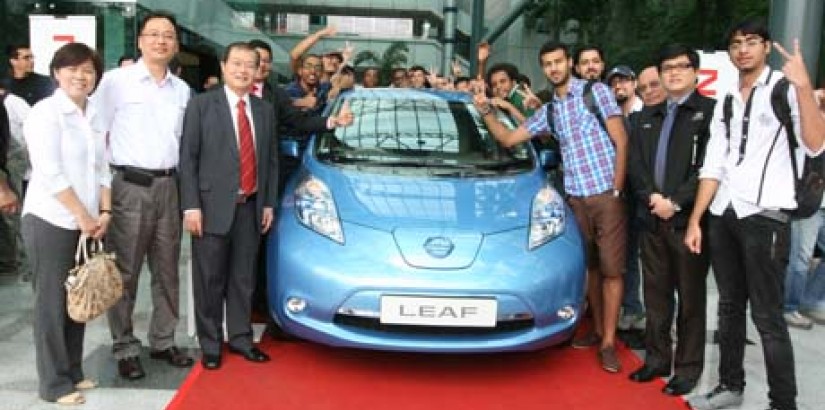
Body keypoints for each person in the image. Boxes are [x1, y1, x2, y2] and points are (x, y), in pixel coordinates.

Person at [685, 20, 825, 410]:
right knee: (729, 307)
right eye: (735, 44)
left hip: (766, 216)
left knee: (767, 317)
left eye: (751, 42)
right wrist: (697, 218)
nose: (742, 49)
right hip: (724, 212)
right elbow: (714, 164)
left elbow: (816, 145)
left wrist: (802, 86)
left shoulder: (783, 89)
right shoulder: (728, 96)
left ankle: (783, 402)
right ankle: (730, 386)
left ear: (765, 47)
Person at [473, 40, 628, 373]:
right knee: (592, 269)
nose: (554, 68)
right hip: (575, 196)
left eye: (559, 61)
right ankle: (599, 331)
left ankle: (609, 344)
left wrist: (616, 190)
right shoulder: (550, 111)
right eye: (548, 63)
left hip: (605, 195)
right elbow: (508, 139)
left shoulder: (595, 93)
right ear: (543, 68)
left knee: (613, 270)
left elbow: (621, 140)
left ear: (569, 63)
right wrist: (485, 110)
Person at [93, 10, 194, 380]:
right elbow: (96, 136)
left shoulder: (183, 91)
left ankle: (163, 341)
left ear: (176, 44)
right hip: (128, 188)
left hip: (170, 186)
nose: (160, 41)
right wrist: (102, 196)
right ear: (140, 41)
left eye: (168, 35)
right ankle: (124, 347)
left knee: (167, 270)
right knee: (126, 271)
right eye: (153, 34)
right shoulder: (115, 82)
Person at [179, 42, 279, 369]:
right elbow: (188, 159)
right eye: (236, 63)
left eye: (250, 64)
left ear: (257, 70)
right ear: (223, 66)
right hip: (209, 208)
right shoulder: (201, 105)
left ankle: (240, 338)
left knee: (243, 278)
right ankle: (210, 345)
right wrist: (190, 206)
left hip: (250, 207)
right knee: (209, 280)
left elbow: (271, 161)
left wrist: (267, 203)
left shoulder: (264, 110)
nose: (242, 70)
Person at [20, 42, 109, 406]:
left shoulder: (92, 114)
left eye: (88, 70)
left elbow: (104, 168)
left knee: (79, 296)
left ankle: (73, 369)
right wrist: (83, 216)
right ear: (57, 73)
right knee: (52, 304)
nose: (80, 76)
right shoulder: (45, 113)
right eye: (72, 69)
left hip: (87, 222)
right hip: (51, 220)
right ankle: (53, 383)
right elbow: (51, 173)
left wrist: (104, 213)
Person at [627, 44, 714, 397]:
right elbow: (636, 165)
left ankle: (688, 369)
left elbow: (710, 167)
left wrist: (676, 202)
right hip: (651, 219)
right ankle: (658, 359)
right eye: (668, 67)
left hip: (687, 222)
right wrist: (652, 198)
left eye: (682, 66)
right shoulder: (648, 115)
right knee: (657, 298)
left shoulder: (709, 112)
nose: (674, 72)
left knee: (691, 300)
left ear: (695, 71)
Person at [0, 86, 31, 279]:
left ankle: (17, 261)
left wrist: (3, 187)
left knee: (11, 217)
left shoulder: (12, 103)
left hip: (10, 166)